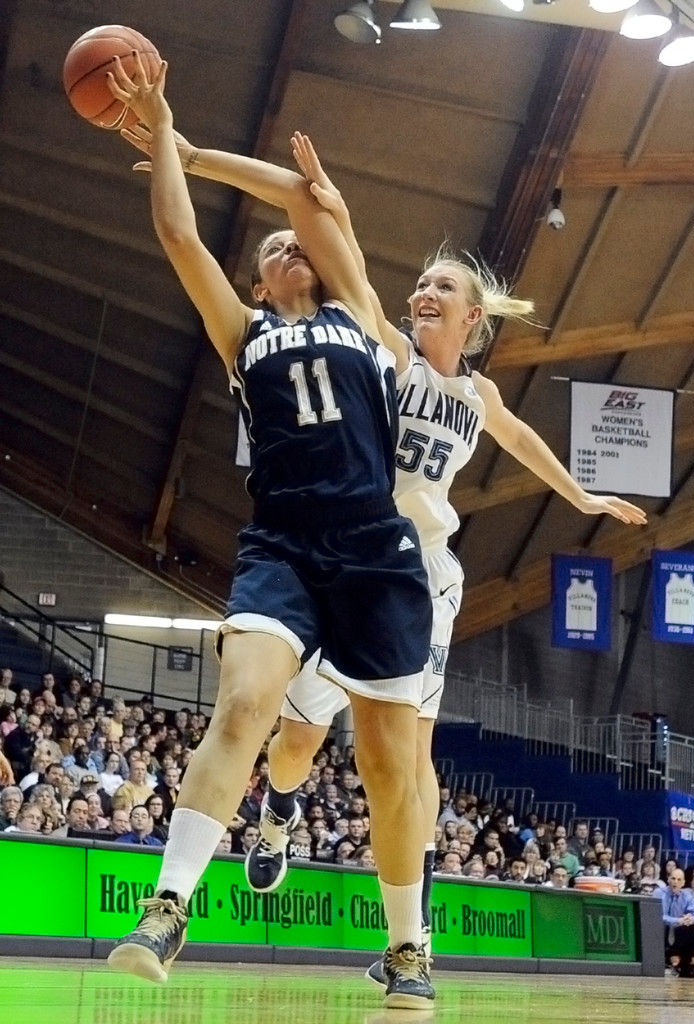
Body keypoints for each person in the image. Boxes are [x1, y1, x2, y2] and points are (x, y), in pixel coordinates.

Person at [171, 129, 647, 981]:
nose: (424, 290)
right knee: (296, 740)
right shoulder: (377, 344)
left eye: (444, 286)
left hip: (417, 574)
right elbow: (324, 225)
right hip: (332, 550)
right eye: (421, 281)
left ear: (472, 319)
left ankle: (410, 941)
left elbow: (523, 439)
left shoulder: (478, 391)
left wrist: (579, 496)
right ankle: (279, 809)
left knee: (406, 760)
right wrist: (199, 158)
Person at [105, 56, 434, 1009]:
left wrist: (200, 149)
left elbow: (307, 196)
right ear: (257, 272)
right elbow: (175, 232)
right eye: (276, 248)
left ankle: (408, 946)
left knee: (385, 759)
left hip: (375, 547)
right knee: (246, 700)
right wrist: (160, 125)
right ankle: (169, 907)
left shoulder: (366, 316)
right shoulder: (244, 332)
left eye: (302, 246)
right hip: (284, 542)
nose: (293, 247)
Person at [659, 868, 694, 977]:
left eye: (679, 880)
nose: (675, 882)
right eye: (673, 878)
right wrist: (678, 920)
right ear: (668, 880)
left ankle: (685, 962)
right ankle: (674, 959)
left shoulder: (688, 896)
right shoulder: (659, 893)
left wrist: (691, 919)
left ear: (683, 883)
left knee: (691, 927)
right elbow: (657, 916)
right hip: (661, 928)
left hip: (679, 931)